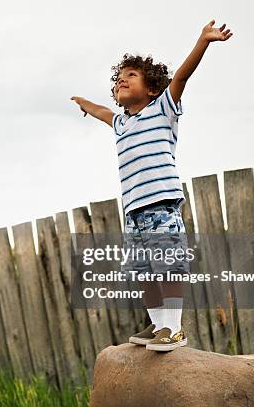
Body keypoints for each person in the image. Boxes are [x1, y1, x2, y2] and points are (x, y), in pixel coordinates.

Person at [70, 20, 233, 351]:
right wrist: (84, 104)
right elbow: (103, 112)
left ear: (153, 88)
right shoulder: (121, 123)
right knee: (143, 270)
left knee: (168, 264)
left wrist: (203, 41)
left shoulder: (163, 108)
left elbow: (182, 77)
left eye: (131, 75)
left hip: (161, 206)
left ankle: (173, 328)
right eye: (119, 78)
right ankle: (159, 324)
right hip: (134, 214)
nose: (121, 80)